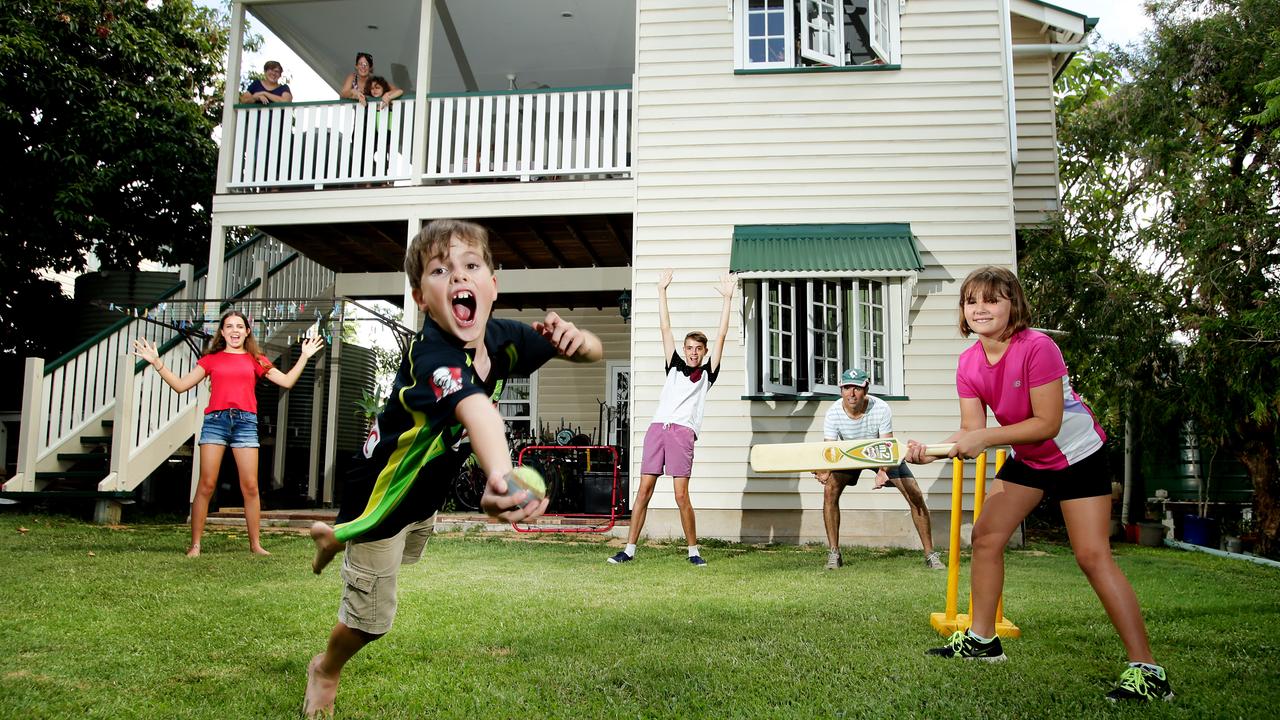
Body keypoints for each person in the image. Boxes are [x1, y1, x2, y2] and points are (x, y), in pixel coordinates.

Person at [302, 219, 603, 719]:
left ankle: (337, 538)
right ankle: (325, 668)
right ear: (421, 297)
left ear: (492, 285)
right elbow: (478, 410)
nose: (459, 277)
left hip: (426, 494)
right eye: (440, 270)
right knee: (371, 619)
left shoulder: (505, 340)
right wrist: (501, 478)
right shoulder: (433, 356)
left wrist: (577, 339)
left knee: (403, 555)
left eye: (471, 265)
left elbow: (592, 351)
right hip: (384, 495)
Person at [905, 266, 1171, 702]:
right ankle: (983, 641)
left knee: (1091, 556)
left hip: (1077, 454)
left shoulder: (1037, 347)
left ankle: (1148, 670)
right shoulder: (969, 362)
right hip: (1028, 456)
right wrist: (927, 449)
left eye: (992, 299)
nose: (981, 308)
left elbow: (1046, 423)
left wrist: (981, 439)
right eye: (971, 301)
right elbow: (970, 429)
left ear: (1014, 304)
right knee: (987, 537)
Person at [133, 311, 324, 557]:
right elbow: (180, 386)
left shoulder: (257, 359)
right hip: (216, 422)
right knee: (206, 484)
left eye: (239, 326)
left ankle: (255, 545)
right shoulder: (211, 359)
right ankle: (195, 545)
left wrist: (305, 357)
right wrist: (157, 363)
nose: (234, 330)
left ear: (247, 331)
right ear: (222, 332)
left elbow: (286, 381)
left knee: (251, 487)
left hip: (245, 423)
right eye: (229, 326)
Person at [608, 270, 735, 567]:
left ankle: (693, 551)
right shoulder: (674, 366)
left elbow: (722, 336)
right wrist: (661, 291)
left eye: (697, 349)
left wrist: (728, 299)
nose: (692, 353)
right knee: (644, 491)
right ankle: (628, 549)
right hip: (657, 430)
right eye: (689, 348)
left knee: (681, 495)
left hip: (682, 433)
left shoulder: (707, 374)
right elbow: (665, 328)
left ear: (703, 353)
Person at [815, 368, 944, 571]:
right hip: (850, 455)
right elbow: (830, 450)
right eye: (847, 387)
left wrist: (884, 471)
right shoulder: (833, 412)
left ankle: (930, 554)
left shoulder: (880, 408)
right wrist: (825, 471)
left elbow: (887, 446)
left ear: (865, 389)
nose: (851, 393)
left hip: (880, 453)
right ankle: (834, 553)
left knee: (915, 493)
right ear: (841, 390)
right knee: (829, 490)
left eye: (857, 388)